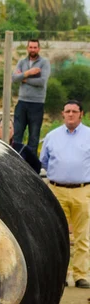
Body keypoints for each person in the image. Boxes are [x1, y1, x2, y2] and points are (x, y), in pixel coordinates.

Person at [40, 100, 90, 289]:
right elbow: (44, 161)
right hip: (57, 191)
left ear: (81, 114)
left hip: (83, 190)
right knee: (57, 236)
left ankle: (80, 275)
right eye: (67, 111)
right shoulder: (52, 137)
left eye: (74, 111)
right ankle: (60, 274)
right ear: (63, 114)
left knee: (82, 236)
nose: (70, 114)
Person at [12, 40, 51, 155]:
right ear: (27, 48)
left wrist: (23, 78)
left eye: (35, 47)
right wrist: (29, 72)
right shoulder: (22, 62)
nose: (32, 49)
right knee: (17, 134)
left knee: (33, 136)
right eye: (31, 47)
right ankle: (16, 162)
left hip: (37, 103)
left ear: (39, 49)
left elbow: (41, 81)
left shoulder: (44, 63)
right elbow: (14, 78)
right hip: (22, 102)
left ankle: (31, 166)